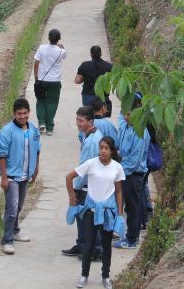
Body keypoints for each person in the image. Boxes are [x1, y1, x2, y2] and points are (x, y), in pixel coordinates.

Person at [65, 136, 124, 289]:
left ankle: (106, 277)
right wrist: (72, 197)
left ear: (112, 150)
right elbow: (69, 176)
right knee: (88, 245)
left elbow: (118, 192)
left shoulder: (117, 167)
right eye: (101, 147)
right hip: (90, 212)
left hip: (107, 213)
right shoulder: (91, 164)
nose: (103, 150)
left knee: (106, 245)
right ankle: (84, 276)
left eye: (106, 148)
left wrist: (119, 213)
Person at [0, 98, 41, 255]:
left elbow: (37, 149)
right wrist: (4, 177)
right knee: (12, 207)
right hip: (12, 176)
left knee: (19, 205)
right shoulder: (7, 131)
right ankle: (7, 240)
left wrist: (35, 169)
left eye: (25, 113)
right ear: (14, 114)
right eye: (19, 114)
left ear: (29, 112)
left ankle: (15, 230)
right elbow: (1, 155)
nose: (23, 116)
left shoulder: (33, 129)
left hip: (25, 175)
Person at [62, 107, 104, 259]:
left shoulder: (92, 141)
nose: (77, 123)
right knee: (82, 218)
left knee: (89, 219)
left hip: (89, 185)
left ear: (90, 122)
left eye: (81, 120)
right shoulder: (91, 135)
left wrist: (76, 188)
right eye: (77, 119)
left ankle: (96, 250)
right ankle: (82, 245)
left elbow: (85, 168)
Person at [114, 99, 149, 250]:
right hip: (125, 172)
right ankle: (129, 236)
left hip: (133, 175)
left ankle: (132, 239)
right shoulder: (127, 128)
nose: (126, 117)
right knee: (129, 206)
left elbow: (133, 160)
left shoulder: (140, 132)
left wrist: (120, 172)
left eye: (129, 114)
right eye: (124, 113)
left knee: (133, 207)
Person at [33, 29, 66, 135]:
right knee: (52, 103)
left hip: (42, 79)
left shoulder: (41, 48)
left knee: (41, 101)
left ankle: (41, 122)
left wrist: (36, 77)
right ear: (59, 38)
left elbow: (36, 63)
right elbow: (64, 56)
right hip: (55, 81)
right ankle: (50, 127)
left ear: (48, 37)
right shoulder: (61, 51)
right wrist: (61, 47)